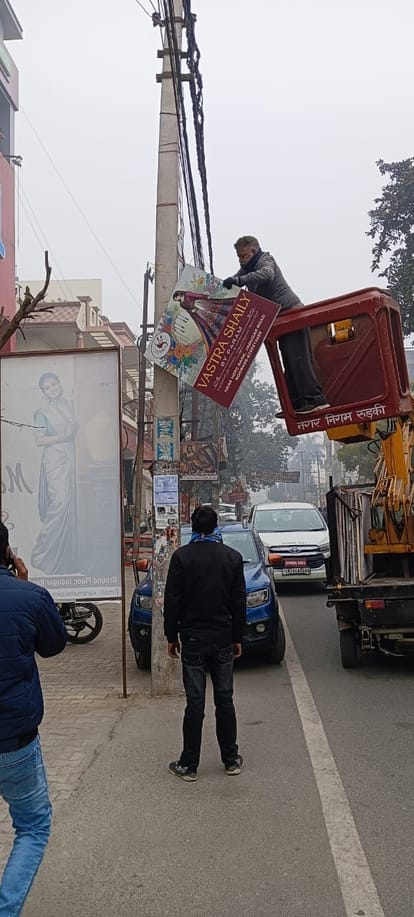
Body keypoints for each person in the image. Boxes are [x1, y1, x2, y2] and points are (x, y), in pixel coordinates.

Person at [0, 521, 67, 915]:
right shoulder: (29, 596)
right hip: (14, 741)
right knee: (32, 826)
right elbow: (54, 645)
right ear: (8, 552)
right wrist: (24, 584)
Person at [164, 505, 246, 782]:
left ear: (193, 525)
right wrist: (237, 637)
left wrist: (171, 636)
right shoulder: (232, 557)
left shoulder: (181, 557)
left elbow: (172, 600)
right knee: (225, 699)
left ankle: (189, 765)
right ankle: (231, 759)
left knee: (195, 702)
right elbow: (238, 602)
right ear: (215, 526)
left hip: (192, 639)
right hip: (223, 637)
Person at [222, 235, 329, 414]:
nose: (240, 260)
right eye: (238, 257)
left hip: (292, 314)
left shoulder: (266, 261)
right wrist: (226, 285)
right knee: (289, 362)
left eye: (243, 256)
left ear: (254, 251)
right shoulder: (247, 268)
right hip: (280, 320)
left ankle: (315, 399)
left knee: (299, 360)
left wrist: (239, 281)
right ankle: (295, 404)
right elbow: (235, 280)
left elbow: (266, 275)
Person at [31, 372, 79, 574]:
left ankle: (68, 560)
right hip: (54, 458)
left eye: (53, 384)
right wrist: (62, 436)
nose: (52, 389)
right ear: (43, 392)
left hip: (73, 457)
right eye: (47, 387)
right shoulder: (42, 412)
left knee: (73, 503)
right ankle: (43, 555)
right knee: (59, 503)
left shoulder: (72, 405)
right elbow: (39, 440)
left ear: (59, 383)